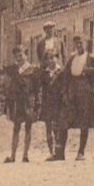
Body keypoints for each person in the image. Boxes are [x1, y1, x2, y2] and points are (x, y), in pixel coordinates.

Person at [53, 34, 94, 162]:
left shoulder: (92, 58)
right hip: (73, 93)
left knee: (84, 122)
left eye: (81, 43)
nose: (79, 46)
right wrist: (64, 92)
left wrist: (91, 70)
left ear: (86, 44)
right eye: (76, 43)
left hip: (86, 93)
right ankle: (60, 153)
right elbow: (65, 75)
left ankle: (81, 152)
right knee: (64, 121)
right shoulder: (72, 58)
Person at [2, 45, 41, 163]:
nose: (19, 58)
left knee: (28, 127)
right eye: (16, 56)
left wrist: (37, 103)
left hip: (28, 101)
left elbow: (37, 88)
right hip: (16, 102)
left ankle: (25, 155)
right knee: (16, 127)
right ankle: (13, 155)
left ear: (26, 55)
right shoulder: (13, 69)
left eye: (21, 55)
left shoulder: (33, 70)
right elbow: (1, 70)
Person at [37, 22, 66, 155]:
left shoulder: (59, 42)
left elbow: (63, 57)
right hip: (46, 75)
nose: (50, 31)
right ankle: (51, 150)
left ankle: (58, 149)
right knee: (48, 121)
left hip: (57, 74)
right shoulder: (40, 43)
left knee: (58, 120)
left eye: (52, 29)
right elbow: (40, 59)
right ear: (45, 30)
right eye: (47, 29)